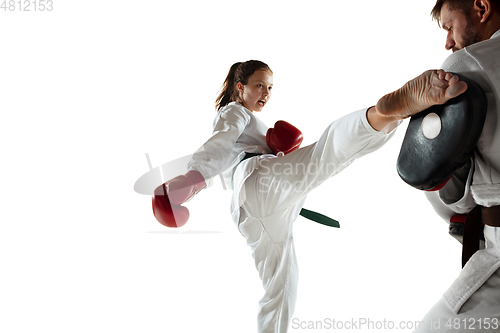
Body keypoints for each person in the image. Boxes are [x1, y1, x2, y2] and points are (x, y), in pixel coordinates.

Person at [151, 60, 467, 333]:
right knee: (324, 154)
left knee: (282, 286)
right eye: (259, 85)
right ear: (239, 86)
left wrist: (274, 147)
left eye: (270, 88)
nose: (265, 93)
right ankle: (385, 113)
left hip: (254, 212)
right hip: (259, 181)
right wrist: (193, 179)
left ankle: (385, 116)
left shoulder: (250, 123)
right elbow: (220, 144)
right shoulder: (235, 113)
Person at [413, 0, 500, 332]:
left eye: (450, 26)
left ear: (481, 7)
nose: (448, 42)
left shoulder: (466, 65)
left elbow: (444, 192)